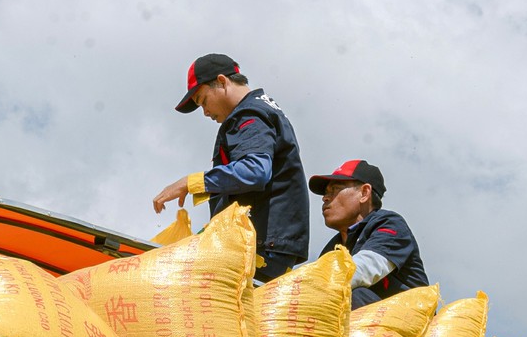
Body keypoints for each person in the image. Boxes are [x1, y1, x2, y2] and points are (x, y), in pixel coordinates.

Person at [151, 53, 309, 282]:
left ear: (222, 82)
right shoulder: (264, 108)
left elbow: (255, 171)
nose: (205, 112)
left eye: (203, 101)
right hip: (269, 244)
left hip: (260, 247)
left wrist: (190, 183)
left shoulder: (249, 114)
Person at [310, 159, 428, 307]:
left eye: (335, 190)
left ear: (364, 193)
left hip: (408, 321)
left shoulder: (389, 223)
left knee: (352, 295)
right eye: (326, 193)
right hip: (366, 321)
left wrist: (306, 287)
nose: (325, 198)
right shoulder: (334, 247)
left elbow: (364, 269)